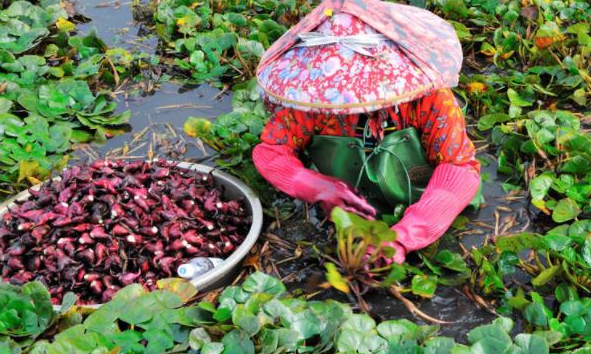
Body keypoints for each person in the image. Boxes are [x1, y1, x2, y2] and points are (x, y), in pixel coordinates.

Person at [252, 0, 481, 264]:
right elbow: (271, 151)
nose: (351, 99)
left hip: (427, 204)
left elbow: (459, 168)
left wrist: (403, 236)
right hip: (351, 211)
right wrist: (316, 187)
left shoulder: (431, 99)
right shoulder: (312, 100)